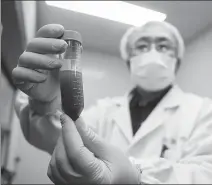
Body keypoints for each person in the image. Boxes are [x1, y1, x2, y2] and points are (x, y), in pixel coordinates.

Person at [12, 21, 212, 184]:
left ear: (177, 60)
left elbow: (206, 173)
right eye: (142, 46)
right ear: (128, 60)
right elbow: (61, 138)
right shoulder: (104, 110)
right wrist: (47, 106)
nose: (152, 53)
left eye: (163, 46)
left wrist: (138, 176)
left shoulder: (203, 110)